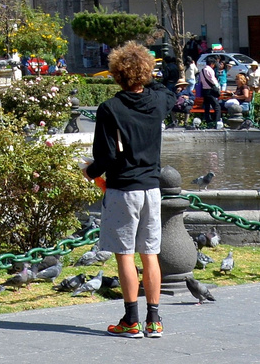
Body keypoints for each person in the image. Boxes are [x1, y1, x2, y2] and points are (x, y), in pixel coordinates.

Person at [81, 41, 174, 339]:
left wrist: (89, 172)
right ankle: (154, 321)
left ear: (115, 73)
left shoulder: (110, 108)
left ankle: (131, 320)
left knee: (125, 254)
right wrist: (148, 74)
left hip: (122, 189)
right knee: (150, 254)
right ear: (147, 71)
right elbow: (166, 91)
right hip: (151, 188)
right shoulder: (158, 101)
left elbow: (105, 156)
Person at [195, 56, 221, 127]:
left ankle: (208, 120)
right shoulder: (210, 70)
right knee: (217, 106)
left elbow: (200, 80)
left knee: (207, 106)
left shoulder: (202, 70)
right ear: (212, 63)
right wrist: (217, 86)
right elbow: (213, 80)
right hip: (210, 90)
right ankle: (217, 121)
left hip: (204, 90)